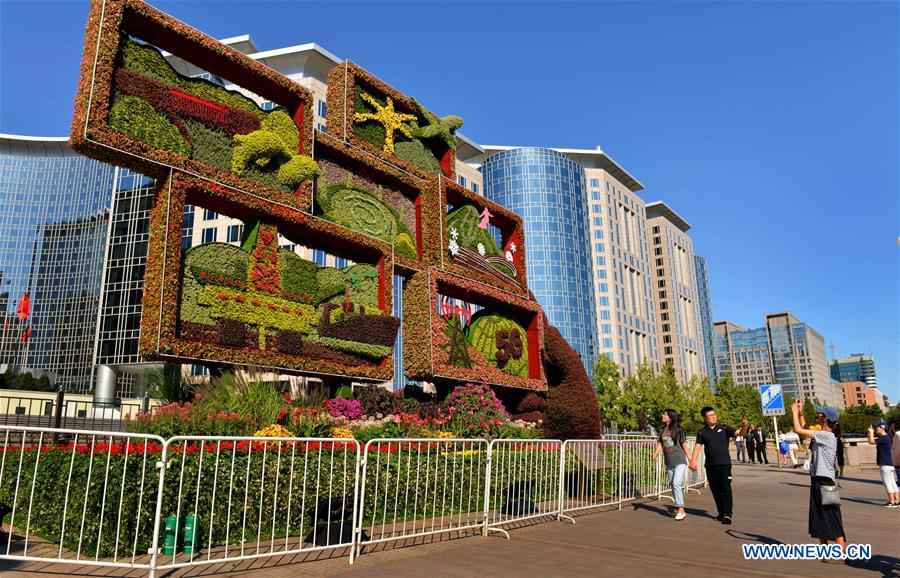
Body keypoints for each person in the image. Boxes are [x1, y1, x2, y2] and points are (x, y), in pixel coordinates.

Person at [791, 401, 846, 562]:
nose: (817, 417)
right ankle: (825, 552)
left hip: (825, 481)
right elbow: (805, 427)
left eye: (820, 415)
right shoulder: (823, 434)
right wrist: (801, 413)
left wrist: (794, 412)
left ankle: (843, 551)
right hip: (818, 479)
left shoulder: (827, 436)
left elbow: (799, 430)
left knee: (831, 515)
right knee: (819, 515)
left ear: (826, 419)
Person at [689, 406, 737, 524]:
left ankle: (727, 514)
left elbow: (738, 433)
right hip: (710, 465)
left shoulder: (724, 428)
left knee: (725, 488)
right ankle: (721, 513)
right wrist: (693, 461)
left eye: (714, 414)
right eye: (710, 415)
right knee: (715, 490)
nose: (713, 417)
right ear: (705, 418)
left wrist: (744, 427)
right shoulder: (702, 432)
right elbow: (698, 446)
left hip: (724, 464)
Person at [653, 408, 691, 520]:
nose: (662, 415)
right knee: (672, 485)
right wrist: (655, 453)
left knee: (676, 484)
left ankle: (681, 509)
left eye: (665, 414)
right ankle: (678, 507)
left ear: (670, 416)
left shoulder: (678, 430)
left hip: (679, 460)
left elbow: (684, 445)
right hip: (669, 461)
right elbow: (661, 443)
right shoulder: (662, 430)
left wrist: (691, 460)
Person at [867, 421, 898, 508]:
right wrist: (871, 433)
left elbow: (871, 441)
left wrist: (870, 432)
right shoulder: (887, 437)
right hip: (890, 464)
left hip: (885, 464)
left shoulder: (883, 438)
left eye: (877, 427)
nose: (876, 429)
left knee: (888, 483)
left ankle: (892, 502)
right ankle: (897, 501)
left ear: (882, 428)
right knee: (892, 483)